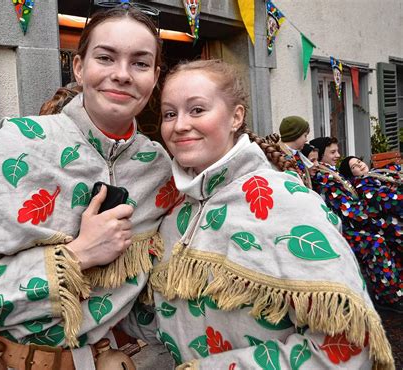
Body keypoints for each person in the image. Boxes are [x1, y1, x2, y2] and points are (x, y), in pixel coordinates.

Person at [0, 4, 173, 369]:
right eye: (105, 57)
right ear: (79, 66)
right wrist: (78, 255)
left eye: (140, 63)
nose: (122, 74)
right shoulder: (21, 144)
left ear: (155, 77)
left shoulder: (159, 170)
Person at [145, 60, 393, 369]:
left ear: (236, 116)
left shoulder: (291, 203)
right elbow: (166, 319)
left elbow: (347, 351)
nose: (179, 125)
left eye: (197, 110)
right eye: (170, 113)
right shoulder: (171, 212)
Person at [339, 156, 402, 312]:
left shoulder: (379, 172)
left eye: (359, 162)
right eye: (354, 166)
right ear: (351, 174)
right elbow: (385, 200)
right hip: (391, 224)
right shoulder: (364, 183)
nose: (359, 165)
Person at [278, 116, 314, 188]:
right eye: (305, 136)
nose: (306, 140)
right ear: (295, 135)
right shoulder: (280, 155)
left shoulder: (297, 155)